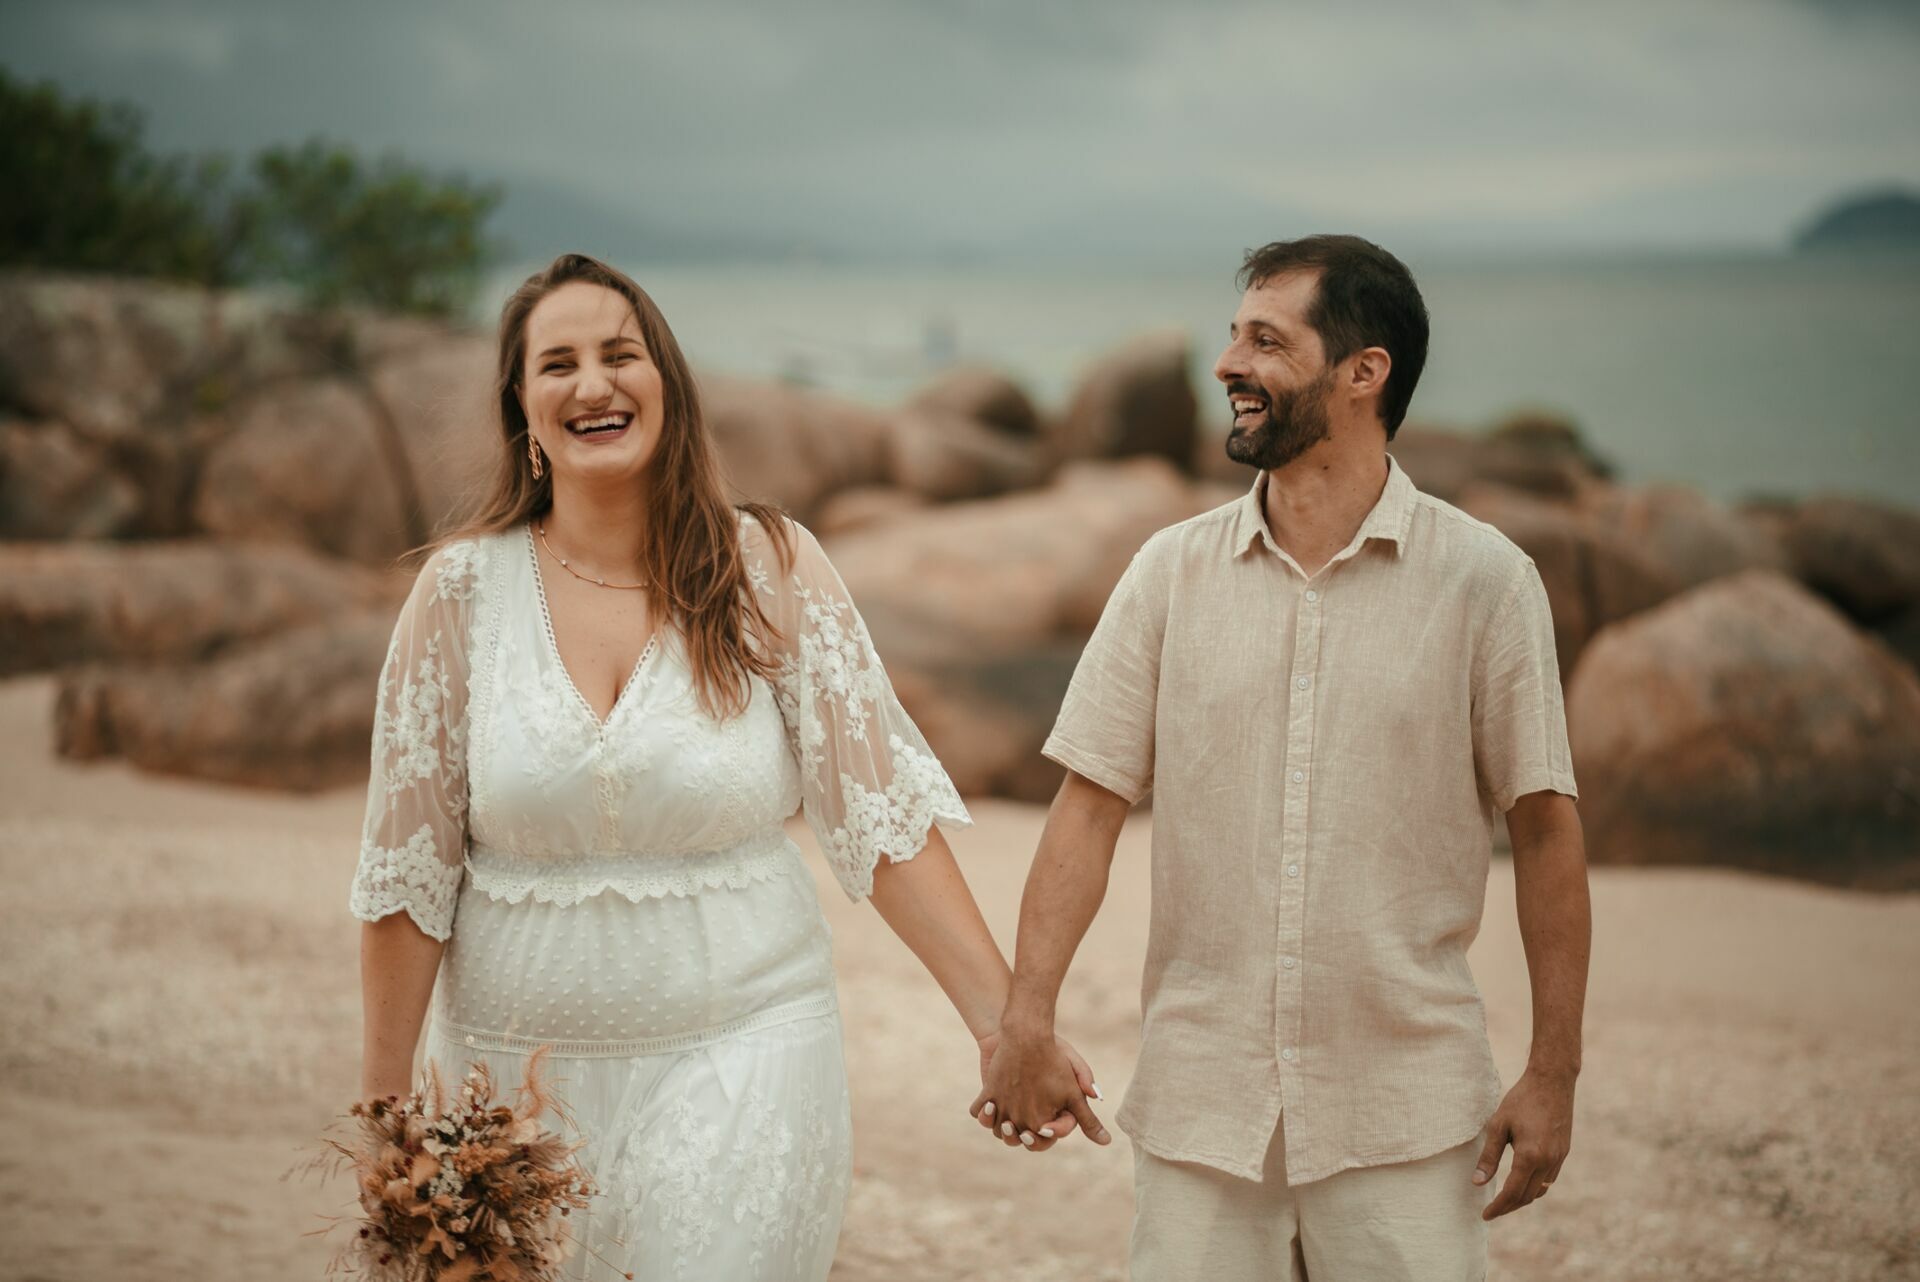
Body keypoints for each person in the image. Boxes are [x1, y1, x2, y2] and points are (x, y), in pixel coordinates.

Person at [349, 253, 1100, 1281]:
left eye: (620, 354)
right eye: (558, 364)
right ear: (522, 408)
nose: (593, 383)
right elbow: (408, 878)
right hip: (505, 1093)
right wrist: (388, 1116)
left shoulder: (768, 569)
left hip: (746, 1055)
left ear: (667, 383)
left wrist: (1005, 1028)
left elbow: (881, 819)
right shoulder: (459, 594)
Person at [974, 235, 1591, 1280]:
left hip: (1404, 1110)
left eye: (1266, 341)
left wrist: (1554, 1072)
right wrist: (1023, 1021)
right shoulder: (1168, 573)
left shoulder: (1486, 582)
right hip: (1202, 1109)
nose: (1228, 365)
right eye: (1233, 337)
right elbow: (1086, 806)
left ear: (1364, 371)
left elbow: (1545, 831)